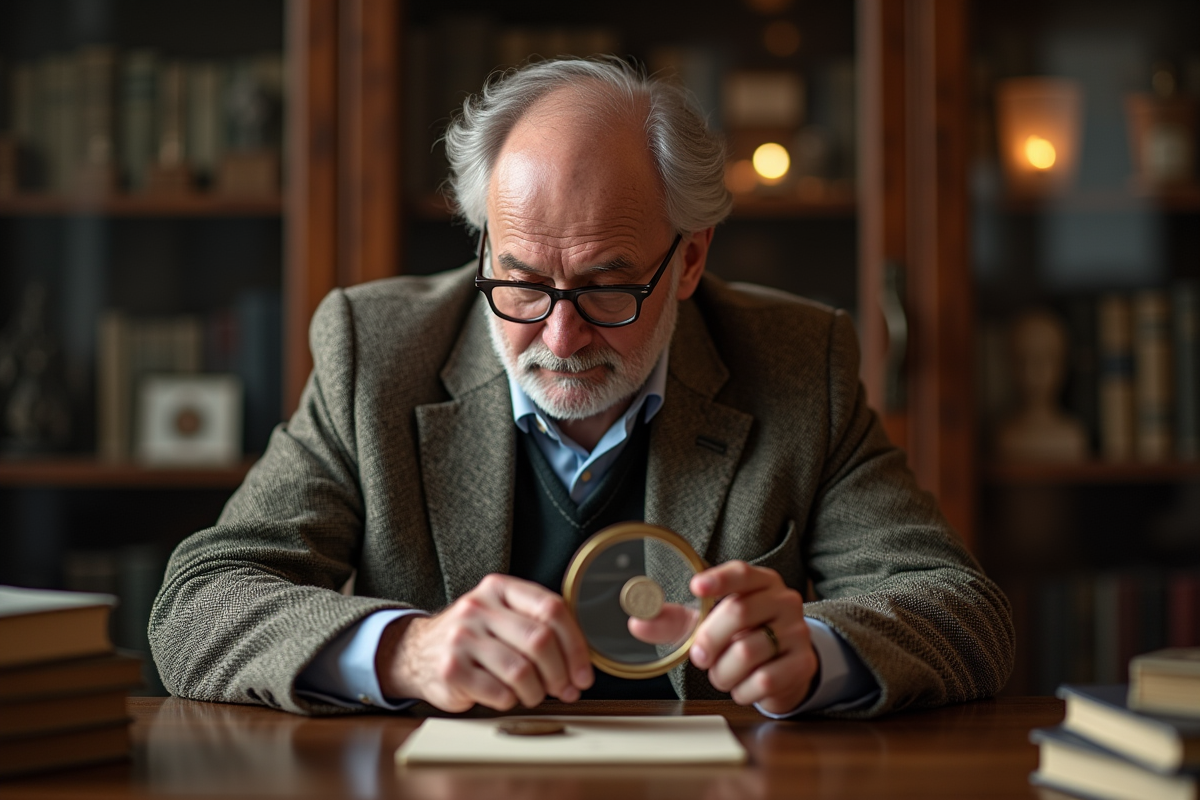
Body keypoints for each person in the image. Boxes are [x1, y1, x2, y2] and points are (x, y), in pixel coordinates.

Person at [149, 58, 1013, 718]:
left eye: (607, 286)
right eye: (519, 281)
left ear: (690, 260)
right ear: (484, 244)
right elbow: (199, 604)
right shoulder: (376, 351)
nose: (560, 337)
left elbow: (963, 610)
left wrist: (814, 651)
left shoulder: (797, 361)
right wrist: (406, 651)